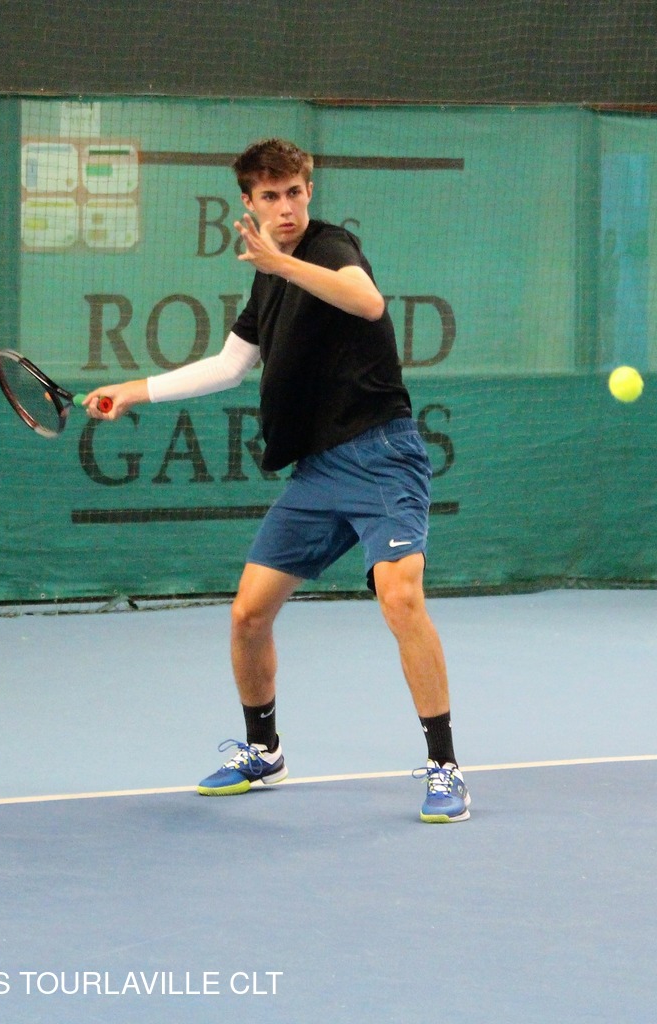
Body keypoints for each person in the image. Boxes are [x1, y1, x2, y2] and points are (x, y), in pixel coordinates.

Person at [84, 138, 470, 823]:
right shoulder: (267, 278)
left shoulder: (328, 247)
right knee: (248, 614)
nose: (285, 207)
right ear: (249, 202)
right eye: (271, 196)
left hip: (381, 455)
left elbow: (368, 302)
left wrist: (283, 262)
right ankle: (264, 751)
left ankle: (445, 767)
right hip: (318, 470)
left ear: (309, 190)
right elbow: (229, 366)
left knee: (400, 596)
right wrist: (133, 391)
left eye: (294, 192)